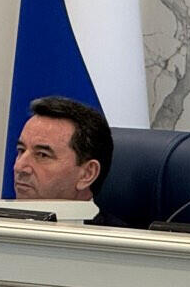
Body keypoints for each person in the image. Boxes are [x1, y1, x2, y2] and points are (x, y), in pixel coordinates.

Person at [13, 95, 123, 226]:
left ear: (87, 174)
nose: (19, 167)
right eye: (21, 150)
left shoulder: (114, 238)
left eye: (42, 155)